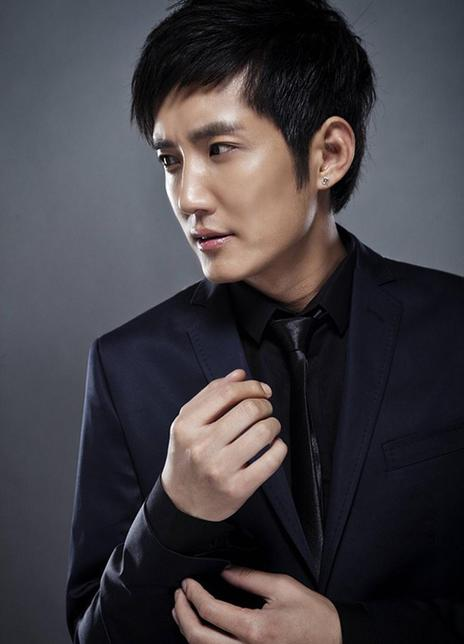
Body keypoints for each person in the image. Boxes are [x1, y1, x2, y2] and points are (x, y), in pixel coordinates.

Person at [65, 1, 464, 642]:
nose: (188, 197)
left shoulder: (452, 329)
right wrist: (175, 510)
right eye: (170, 160)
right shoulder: (126, 366)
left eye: (220, 149)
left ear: (329, 153)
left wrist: (346, 633)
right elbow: (96, 634)